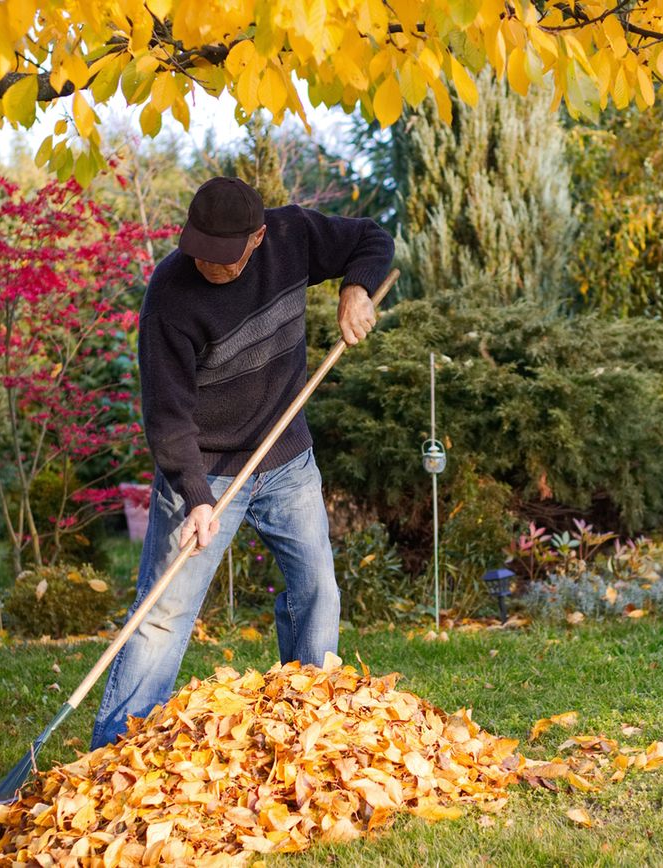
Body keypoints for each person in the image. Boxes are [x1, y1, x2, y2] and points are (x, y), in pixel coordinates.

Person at [90, 177, 394, 749]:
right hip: (205, 468)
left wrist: (356, 288)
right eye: (199, 248)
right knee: (162, 614)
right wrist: (196, 495)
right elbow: (167, 414)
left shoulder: (294, 235)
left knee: (317, 591)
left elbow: (371, 239)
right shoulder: (171, 295)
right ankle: (112, 755)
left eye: (222, 255)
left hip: (286, 460)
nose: (207, 263)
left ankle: (312, 726)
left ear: (258, 238)